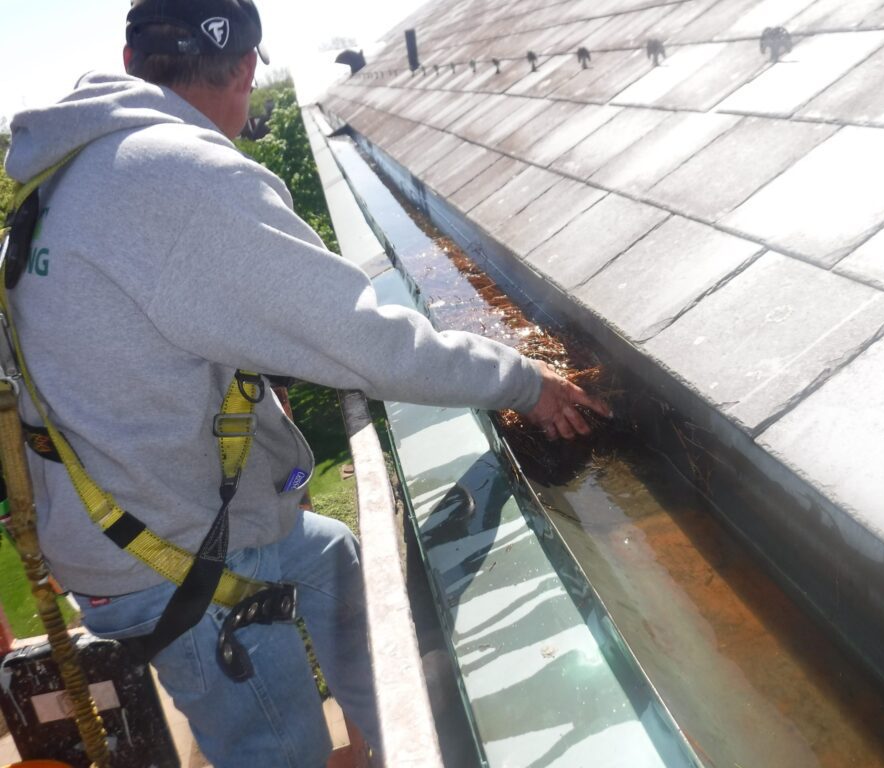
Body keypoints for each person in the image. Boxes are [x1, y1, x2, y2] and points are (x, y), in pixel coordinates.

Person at [1, 0, 608, 765]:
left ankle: (389, 740)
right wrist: (526, 385)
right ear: (248, 69)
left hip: (121, 528)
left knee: (331, 559)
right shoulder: (179, 177)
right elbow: (367, 345)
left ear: (131, 66)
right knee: (275, 747)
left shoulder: (60, 178)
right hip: (173, 564)